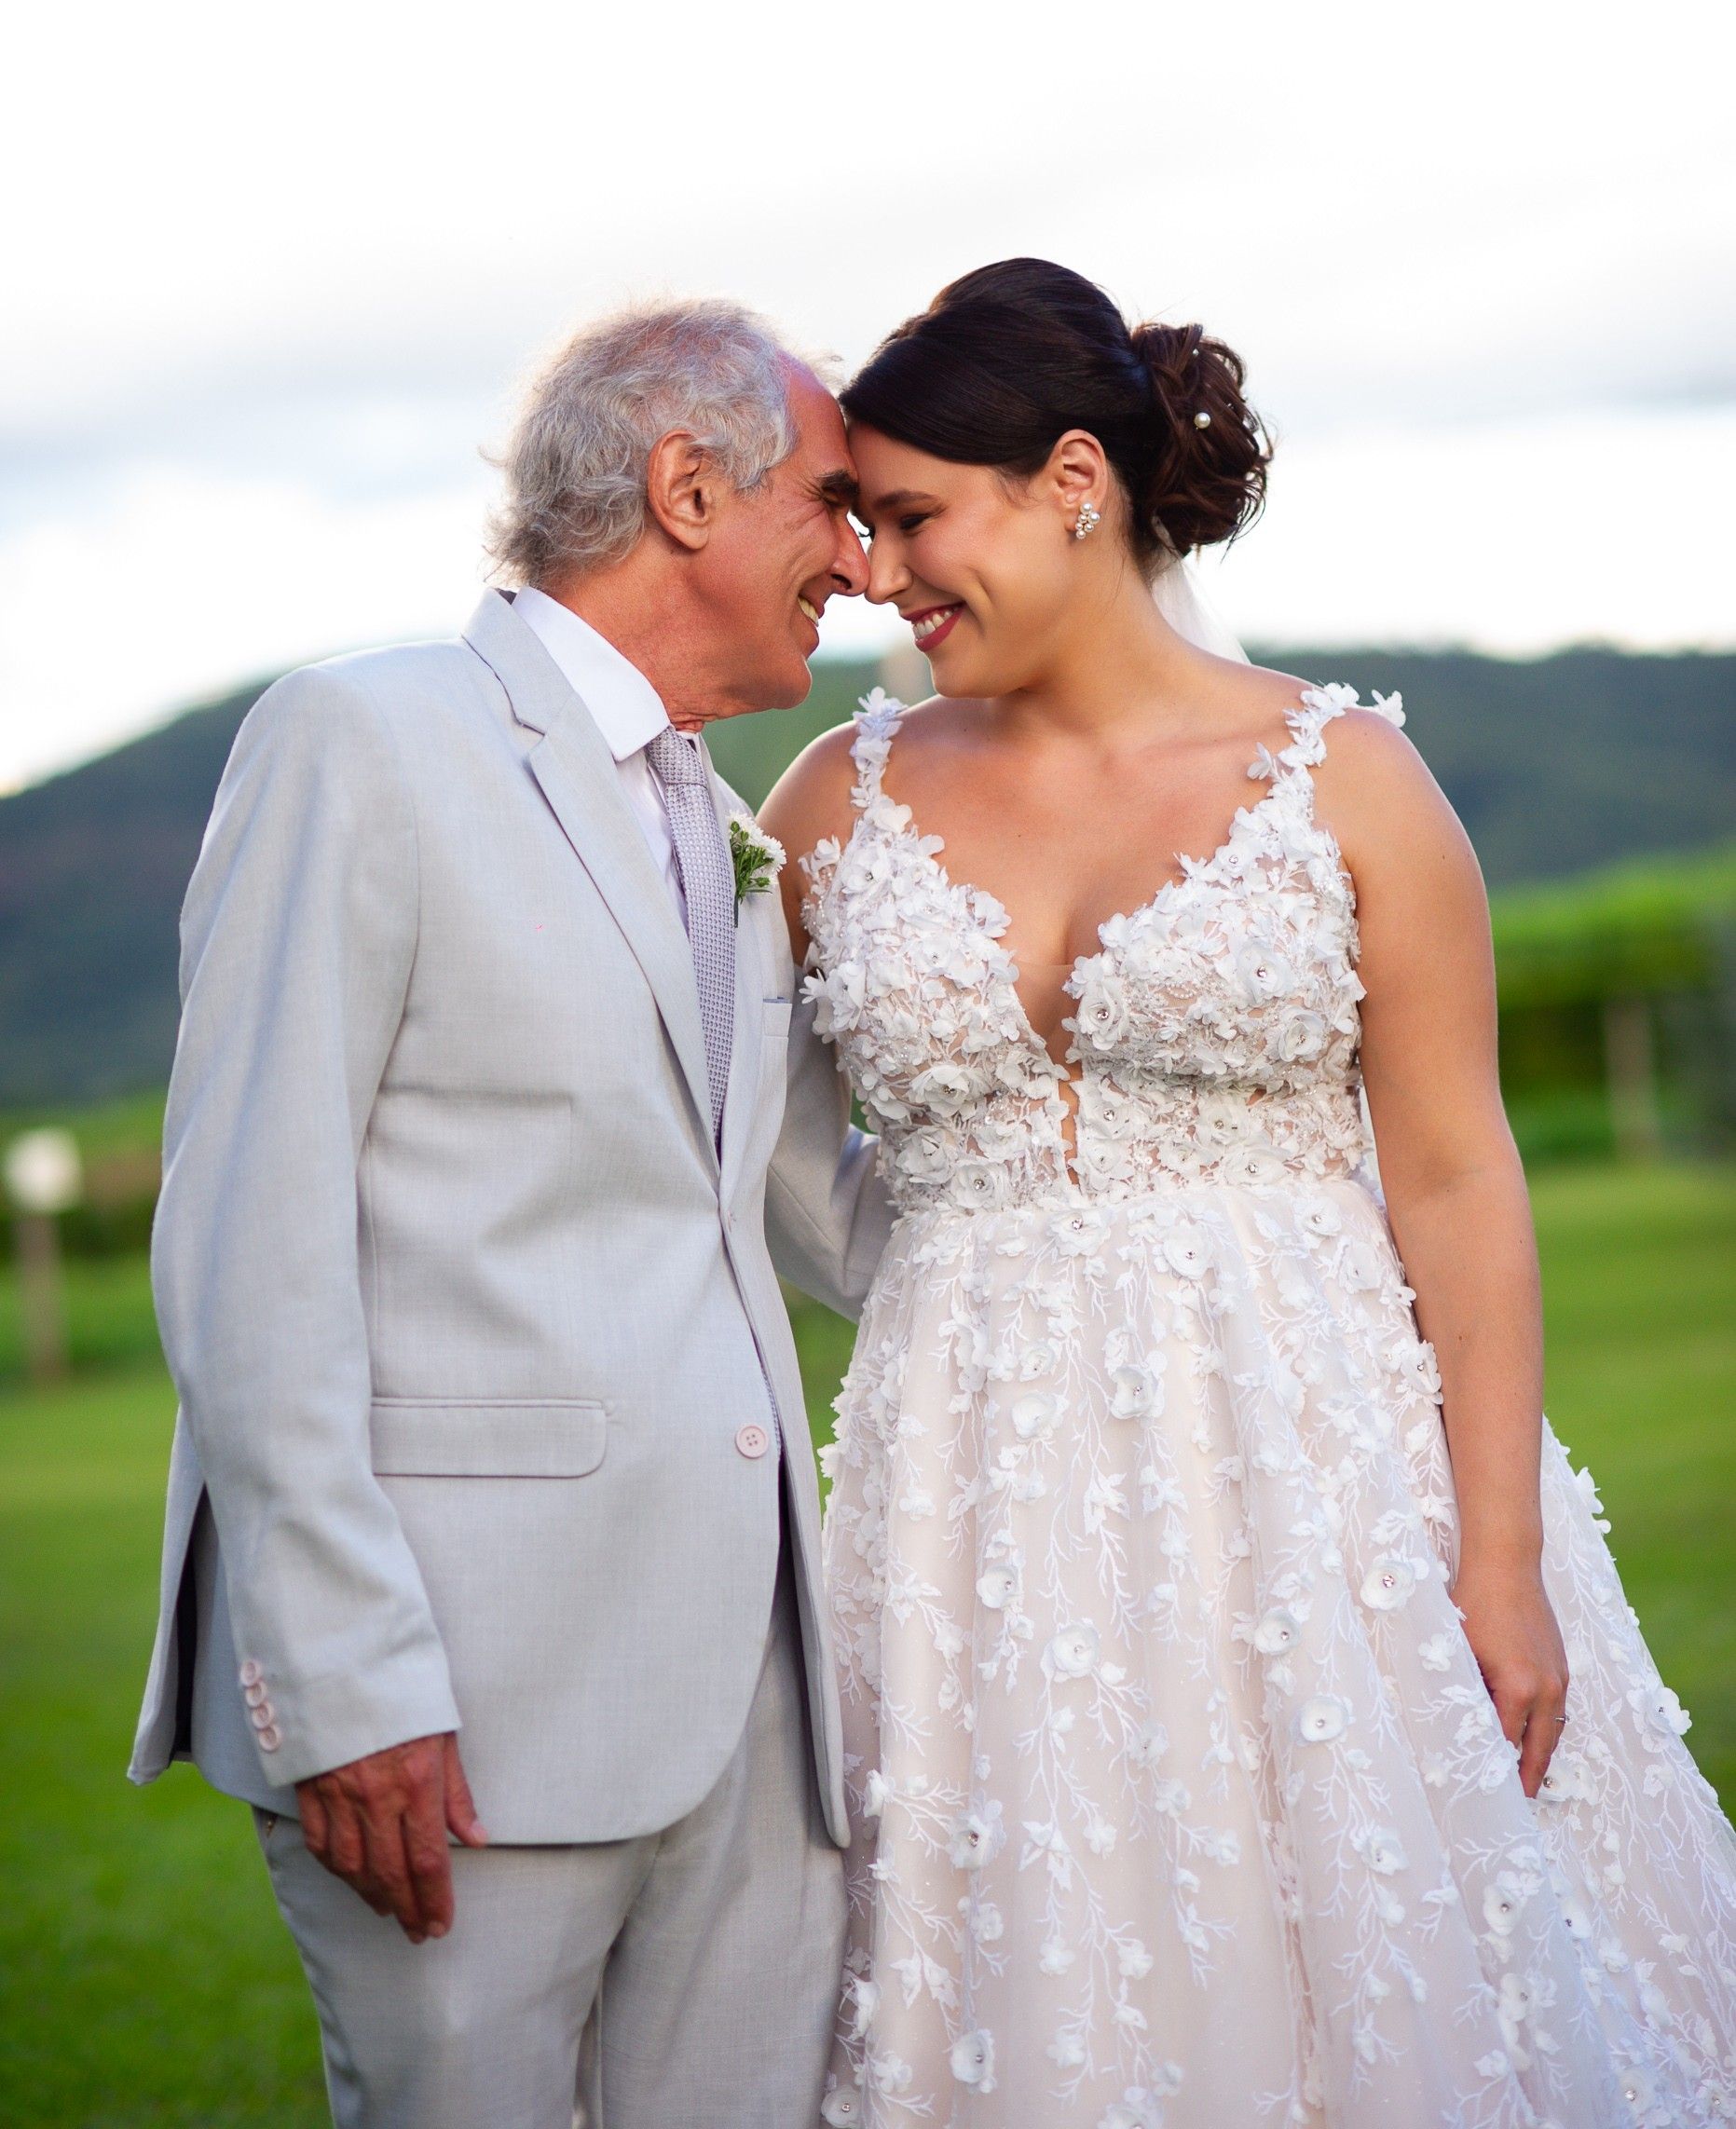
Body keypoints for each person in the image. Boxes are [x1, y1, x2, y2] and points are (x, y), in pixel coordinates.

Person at [764, 259, 1736, 2127]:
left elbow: (1456, 1178)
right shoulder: (827, 799)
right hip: (969, 1495)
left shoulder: (1343, 782)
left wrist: (1499, 1558)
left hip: (1324, 1483)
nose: (875, 574)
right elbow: (727, 1138)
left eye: (907, 516)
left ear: (1071, 481)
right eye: (861, 527)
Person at [130, 302, 894, 2129]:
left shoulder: (735, 828)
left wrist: (1156, 1231)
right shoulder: (359, 739)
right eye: (837, 503)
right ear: (688, 487)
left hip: (760, 1708)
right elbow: (250, 1243)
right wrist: (342, 1681)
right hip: (456, 1713)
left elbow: (807, 1208)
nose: (863, 563)